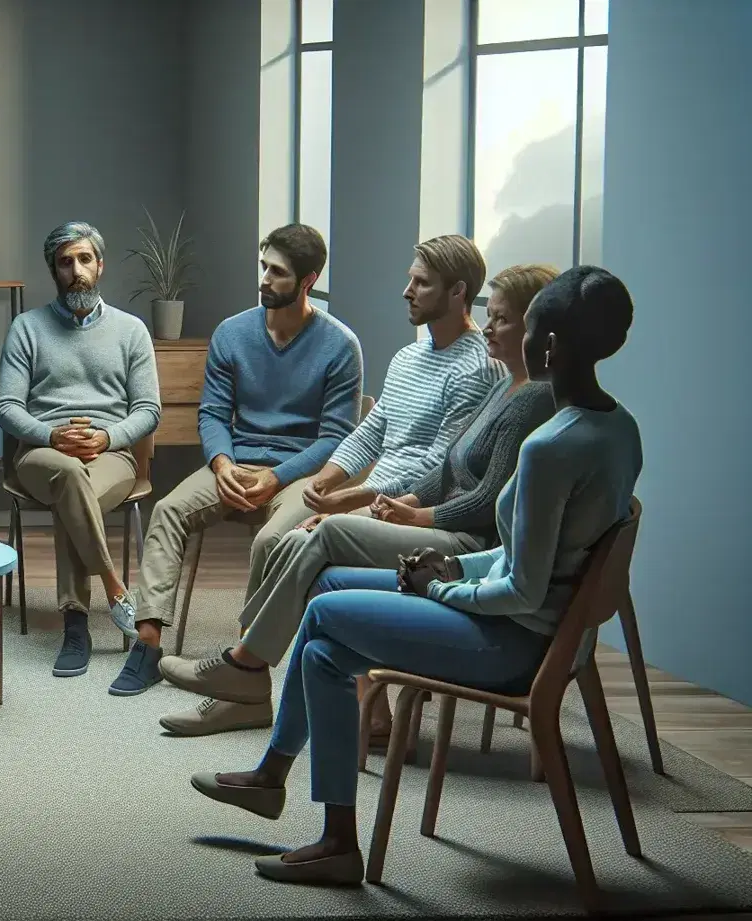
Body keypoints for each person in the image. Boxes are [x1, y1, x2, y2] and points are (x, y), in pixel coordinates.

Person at [190, 265, 642, 886]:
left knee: (322, 619)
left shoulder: (549, 447)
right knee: (323, 595)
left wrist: (439, 586)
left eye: (522, 325)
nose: (499, 331)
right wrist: (455, 564)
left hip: (514, 643)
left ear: (550, 346)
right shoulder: (620, 427)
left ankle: (324, 828)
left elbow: (523, 589)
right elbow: (527, 557)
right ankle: (283, 787)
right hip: (542, 628)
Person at [159, 263, 560, 735]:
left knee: (318, 536)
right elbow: (441, 467)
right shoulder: (502, 384)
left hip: (463, 547)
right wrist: (349, 490)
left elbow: (487, 502)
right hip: (421, 516)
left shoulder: (525, 394)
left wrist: (405, 511)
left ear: (538, 328)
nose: (490, 326)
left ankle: (245, 669)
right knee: (293, 542)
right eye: (489, 315)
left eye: (503, 319)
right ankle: (248, 679)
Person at [109, 224, 363, 699]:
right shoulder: (233, 332)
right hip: (233, 463)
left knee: (273, 539)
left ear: (308, 281)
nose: (264, 279)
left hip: (298, 474)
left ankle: (243, 664)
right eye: (264, 266)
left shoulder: (340, 346)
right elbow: (212, 412)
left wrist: (276, 477)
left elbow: (336, 438)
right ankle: (146, 647)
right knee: (167, 512)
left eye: (278, 272)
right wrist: (222, 464)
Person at [0, 221, 161, 678]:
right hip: (41, 454)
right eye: (66, 262)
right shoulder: (27, 328)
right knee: (69, 476)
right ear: (54, 270)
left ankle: (75, 624)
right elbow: (6, 407)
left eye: (85, 259)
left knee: (76, 489)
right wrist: (51, 436)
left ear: (100, 265)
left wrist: (107, 438)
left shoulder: (131, 331)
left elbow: (149, 410)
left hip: (112, 456)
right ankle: (114, 588)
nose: (76, 270)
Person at [291, 234, 504, 530]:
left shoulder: (477, 368)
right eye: (410, 280)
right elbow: (371, 433)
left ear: (457, 291)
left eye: (422, 283)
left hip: (409, 508)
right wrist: (323, 483)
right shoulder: (406, 357)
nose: (407, 291)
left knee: (302, 539)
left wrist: (346, 503)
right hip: (371, 498)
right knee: (272, 540)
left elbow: (439, 470)